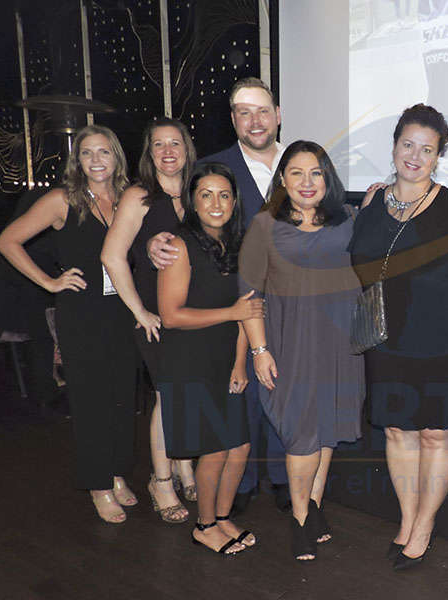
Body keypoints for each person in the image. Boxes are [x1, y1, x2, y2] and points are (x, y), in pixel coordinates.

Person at [348, 103, 448, 570]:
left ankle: (424, 525)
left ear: (437, 156)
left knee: (435, 436)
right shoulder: (370, 202)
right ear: (393, 146)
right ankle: (407, 520)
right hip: (387, 338)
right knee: (397, 432)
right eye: (408, 144)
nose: (415, 155)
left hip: (447, 340)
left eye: (426, 149)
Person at [148, 77, 289, 514]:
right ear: (233, 119)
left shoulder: (303, 160)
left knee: (287, 391)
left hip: (295, 303)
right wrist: (155, 242)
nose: (255, 120)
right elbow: (183, 217)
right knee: (239, 392)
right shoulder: (212, 166)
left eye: (262, 110)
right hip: (236, 304)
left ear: (278, 114)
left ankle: (285, 477)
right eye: (243, 112)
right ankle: (238, 487)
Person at [0, 125, 139, 523]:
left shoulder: (127, 199)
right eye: (87, 153)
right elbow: (7, 240)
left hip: (123, 311)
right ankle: (98, 484)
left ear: (116, 158)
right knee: (92, 401)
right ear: (77, 160)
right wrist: (49, 281)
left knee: (121, 398)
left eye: (104, 152)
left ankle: (115, 473)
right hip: (82, 313)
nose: (96, 160)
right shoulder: (62, 200)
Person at [238, 140, 365, 560]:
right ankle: (297, 519)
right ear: (282, 179)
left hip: (339, 343)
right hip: (289, 344)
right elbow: (250, 294)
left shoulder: (348, 218)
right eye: (296, 172)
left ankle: (312, 508)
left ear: (327, 177)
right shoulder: (264, 225)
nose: (307, 182)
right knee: (301, 434)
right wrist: (259, 351)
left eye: (316, 172)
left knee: (326, 426)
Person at [157, 162, 263, 554]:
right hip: (189, 361)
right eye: (206, 195)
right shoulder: (179, 245)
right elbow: (171, 316)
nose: (216, 203)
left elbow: (245, 312)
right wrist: (231, 314)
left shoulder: (236, 245)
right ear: (193, 201)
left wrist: (240, 363)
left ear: (234, 202)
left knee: (240, 446)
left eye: (224, 195)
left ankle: (221, 517)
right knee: (216, 448)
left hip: (225, 359)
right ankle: (204, 525)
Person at [101, 117, 197, 524]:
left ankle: (185, 466)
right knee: (170, 395)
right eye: (159, 145)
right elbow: (111, 255)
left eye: (175, 143)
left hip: (195, 314)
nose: (168, 151)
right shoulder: (139, 195)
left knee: (188, 393)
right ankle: (161, 480)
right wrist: (139, 310)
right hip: (157, 318)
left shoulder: (198, 191)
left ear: (187, 149)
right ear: (149, 153)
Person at [0, 188, 57, 416]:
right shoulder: (61, 198)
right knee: (40, 334)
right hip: (26, 268)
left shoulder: (41, 193)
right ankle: (45, 396)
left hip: (7, 268)